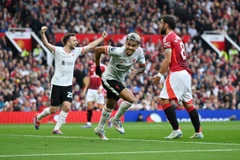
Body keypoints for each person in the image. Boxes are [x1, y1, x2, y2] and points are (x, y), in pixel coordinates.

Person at [33, 26, 108, 134]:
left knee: (67, 106)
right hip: (57, 84)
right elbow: (46, 44)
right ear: (68, 41)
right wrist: (42, 33)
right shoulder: (58, 51)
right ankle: (38, 117)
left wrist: (101, 38)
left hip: (67, 85)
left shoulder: (76, 51)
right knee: (53, 109)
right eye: (74, 40)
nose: (76, 42)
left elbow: (90, 46)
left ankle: (56, 128)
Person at [150, 15, 204, 139]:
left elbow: (168, 60)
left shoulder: (167, 38)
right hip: (186, 74)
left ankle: (176, 130)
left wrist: (159, 75)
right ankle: (199, 131)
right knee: (188, 104)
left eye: (161, 23)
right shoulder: (178, 38)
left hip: (177, 72)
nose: (159, 25)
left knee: (164, 99)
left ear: (165, 25)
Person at [93, 32, 146, 140]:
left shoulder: (139, 53)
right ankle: (116, 119)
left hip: (119, 80)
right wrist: (98, 67)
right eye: (128, 44)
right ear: (125, 42)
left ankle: (99, 129)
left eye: (133, 45)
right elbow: (98, 49)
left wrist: (138, 71)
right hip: (108, 78)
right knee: (131, 99)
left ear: (138, 46)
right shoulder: (118, 51)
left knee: (110, 106)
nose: (130, 47)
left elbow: (143, 67)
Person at [81, 63, 107, 128]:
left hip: (98, 90)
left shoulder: (104, 67)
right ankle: (88, 123)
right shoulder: (91, 67)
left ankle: (109, 121)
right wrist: (85, 89)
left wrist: (101, 87)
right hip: (90, 90)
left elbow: (105, 78)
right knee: (89, 106)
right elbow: (89, 78)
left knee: (101, 107)